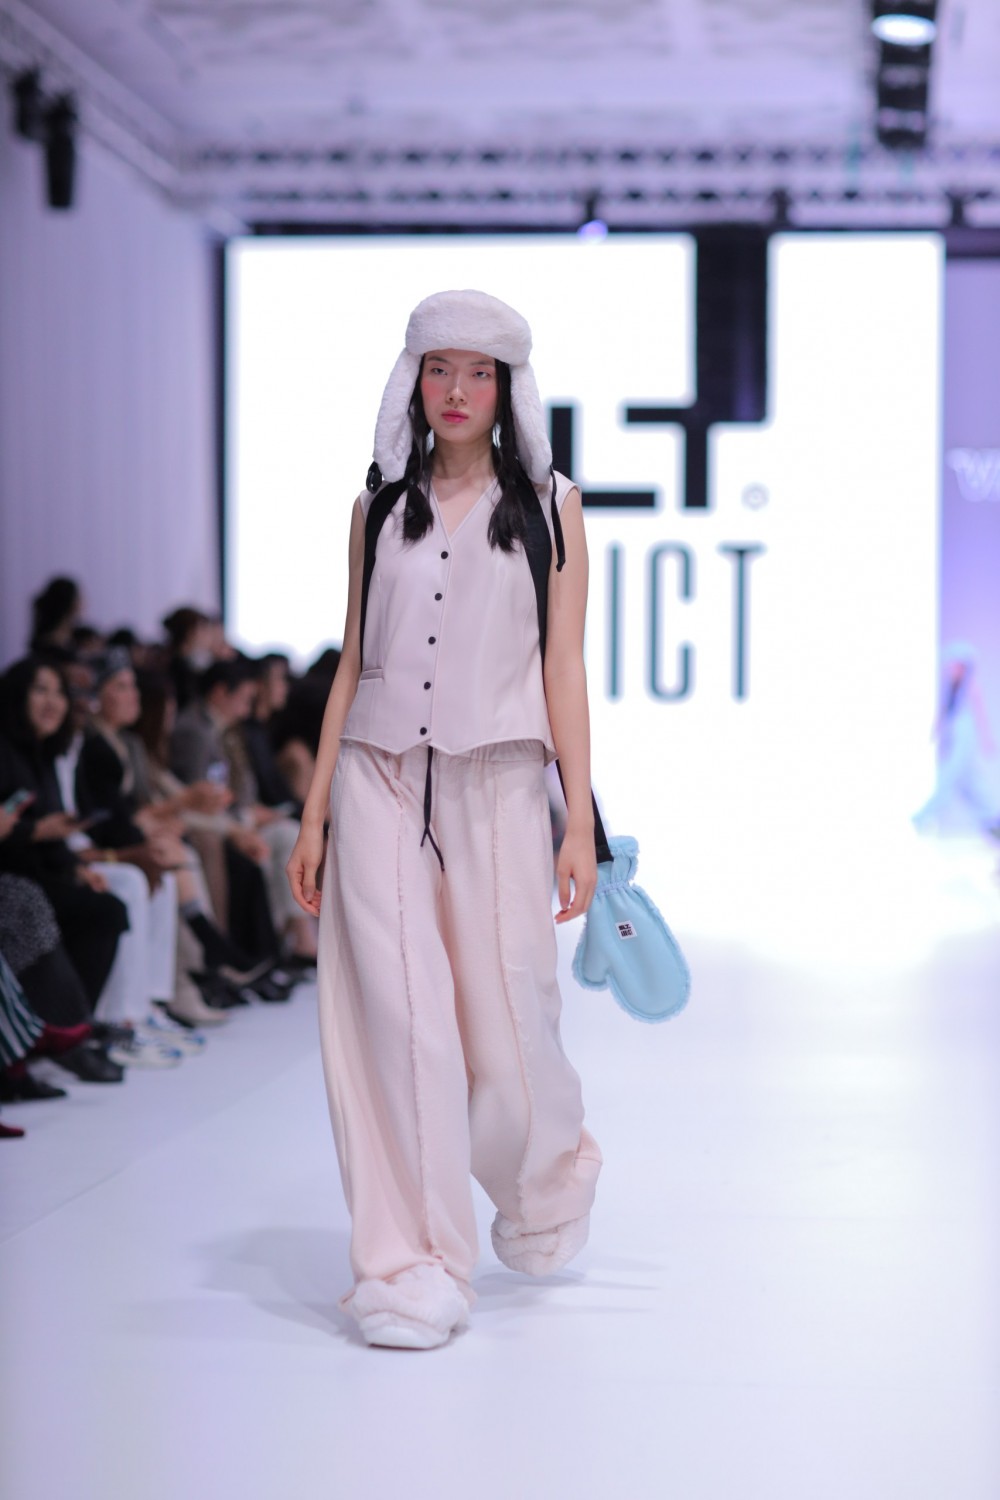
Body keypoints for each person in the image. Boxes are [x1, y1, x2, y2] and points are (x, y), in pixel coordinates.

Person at [286, 289, 602, 1350]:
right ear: (412, 381)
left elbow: (564, 666)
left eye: (478, 371)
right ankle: (411, 1265)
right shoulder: (377, 506)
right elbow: (352, 659)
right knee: (400, 1022)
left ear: (508, 388)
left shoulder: (551, 506)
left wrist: (577, 821)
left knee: (510, 1023)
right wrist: (315, 811)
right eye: (438, 368)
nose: (456, 390)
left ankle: (546, 1176)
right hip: (376, 777)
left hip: (500, 781)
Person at [913, 643, 1000, 835]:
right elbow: (944, 711)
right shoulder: (950, 687)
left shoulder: (970, 686)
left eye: (955, 665)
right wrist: (936, 730)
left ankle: (922, 816)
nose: (951, 669)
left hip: (965, 738)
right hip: (953, 737)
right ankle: (992, 818)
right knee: (969, 783)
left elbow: (980, 713)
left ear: (963, 667)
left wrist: (986, 739)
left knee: (950, 778)